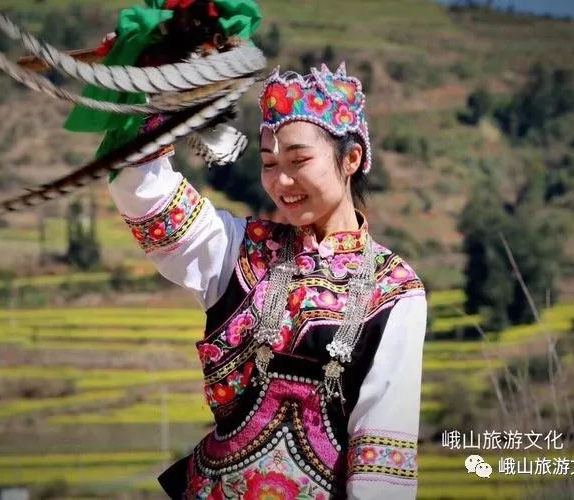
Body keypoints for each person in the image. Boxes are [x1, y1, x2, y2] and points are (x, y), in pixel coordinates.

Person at [108, 62, 427, 499]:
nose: (281, 181)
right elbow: (144, 195)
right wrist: (153, 90)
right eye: (269, 163)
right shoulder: (241, 250)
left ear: (351, 158)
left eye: (299, 160)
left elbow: (381, 450)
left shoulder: (395, 290)